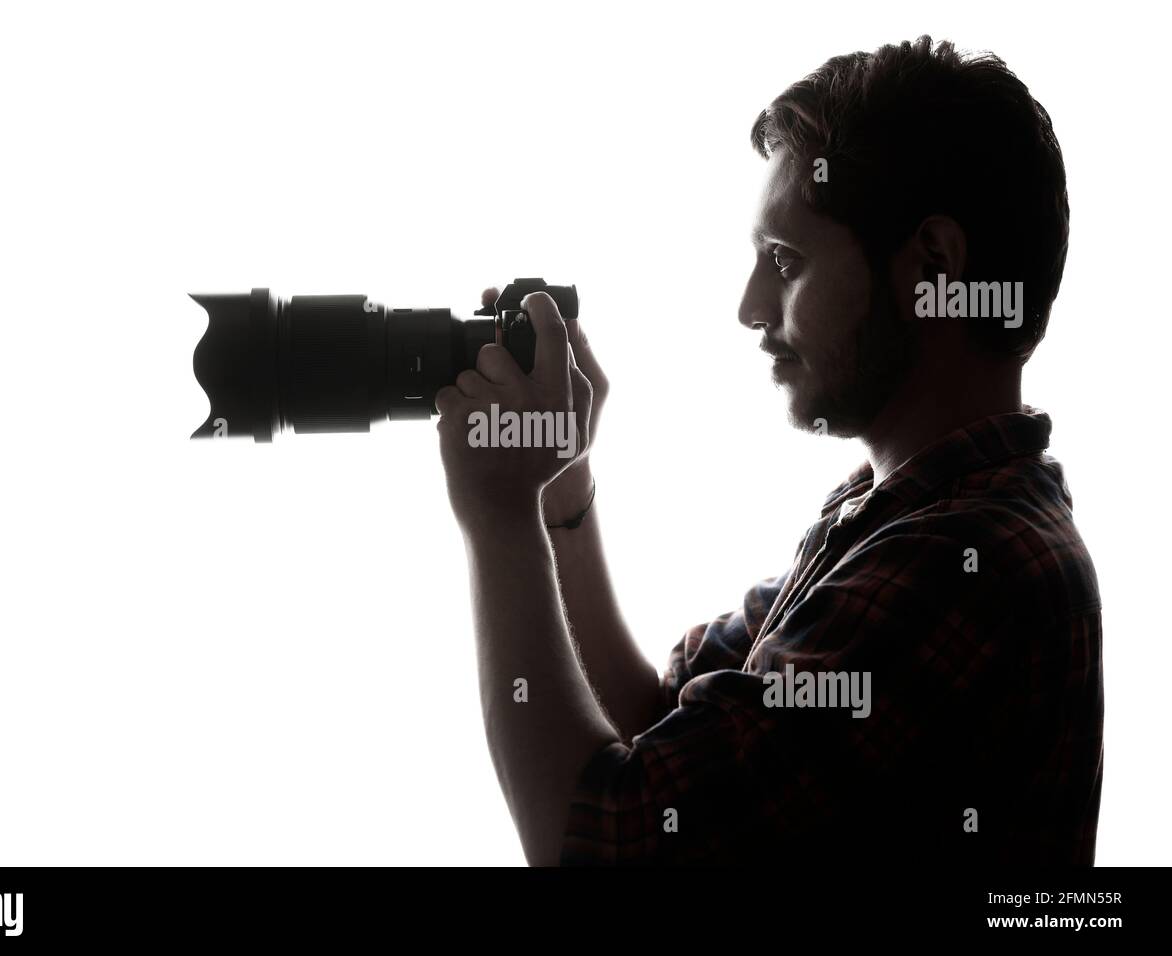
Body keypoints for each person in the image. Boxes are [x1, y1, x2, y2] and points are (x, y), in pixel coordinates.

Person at [433, 35, 1102, 866]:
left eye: (785, 262)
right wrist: (560, 490)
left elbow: (600, 842)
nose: (750, 308)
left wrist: (499, 520)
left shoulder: (966, 564)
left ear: (933, 265)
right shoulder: (894, 513)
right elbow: (656, 714)